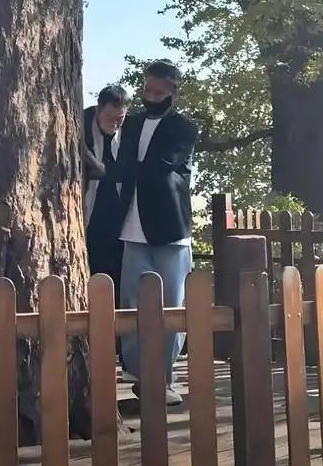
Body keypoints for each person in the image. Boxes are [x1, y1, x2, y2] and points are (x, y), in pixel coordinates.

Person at [86, 59, 197, 406]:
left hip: (169, 229)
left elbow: (159, 168)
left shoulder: (183, 128)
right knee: (132, 304)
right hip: (131, 229)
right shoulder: (131, 124)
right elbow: (118, 159)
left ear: (173, 91)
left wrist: (113, 170)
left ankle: (164, 377)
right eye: (147, 90)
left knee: (171, 305)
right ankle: (136, 373)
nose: (151, 96)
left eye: (158, 92)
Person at [83, 84, 130, 308]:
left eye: (119, 119)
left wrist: (99, 167)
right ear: (99, 108)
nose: (114, 124)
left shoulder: (130, 130)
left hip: (119, 219)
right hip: (88, 215)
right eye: (109, 118)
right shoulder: (81, 124)